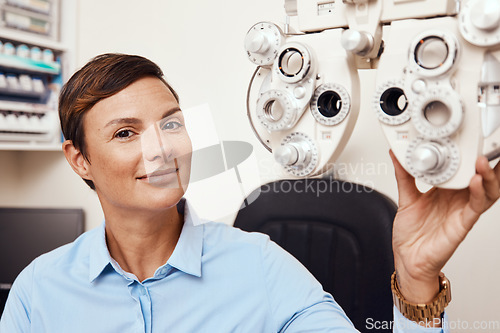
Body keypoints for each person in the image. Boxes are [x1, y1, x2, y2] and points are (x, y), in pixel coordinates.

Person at [0, 53, 498, 333]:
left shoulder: (261, 267)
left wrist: (416, 282)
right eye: (126, 133)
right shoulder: (37, 295)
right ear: (79, 159)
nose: (161, 151)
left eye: (170, 123)